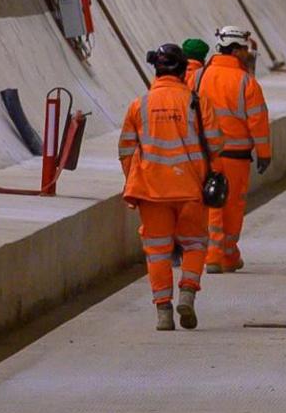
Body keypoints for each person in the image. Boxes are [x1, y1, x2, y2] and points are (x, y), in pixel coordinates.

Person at [116, 43, 209, 328]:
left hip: (152, 192)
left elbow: (125, 150)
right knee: (194, 244)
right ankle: (188, 294)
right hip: (191, 189)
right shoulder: (197, 102)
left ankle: (163, 313)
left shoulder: (139, 104)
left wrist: (135, 179)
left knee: (157, 251)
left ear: (156, 70)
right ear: (183, 70)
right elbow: (216, 143)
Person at [191, 27, 272, 270]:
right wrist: (264, 153)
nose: (247, 54)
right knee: (232, 205)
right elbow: (258, 120)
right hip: (235, 156)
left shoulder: (199, 76)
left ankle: (223, 254)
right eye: (244, 49)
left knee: (210, 202)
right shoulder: (246, 82)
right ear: (235, 50)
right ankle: (220, 253)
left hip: (205, 153)